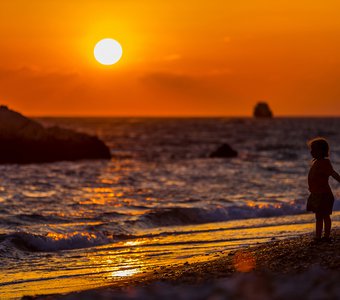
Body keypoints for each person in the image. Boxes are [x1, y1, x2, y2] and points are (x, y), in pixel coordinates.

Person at [307, 137, 340, 243]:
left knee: (325, 216)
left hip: (324, 195)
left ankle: (326, 236)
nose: (311, 152)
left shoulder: (325, 163)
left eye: (314, 150)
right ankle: (318, 237)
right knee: (318, 217)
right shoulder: (315, 162)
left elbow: (333, 173)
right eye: (311, 150)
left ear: (322, 151)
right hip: (316, 194)